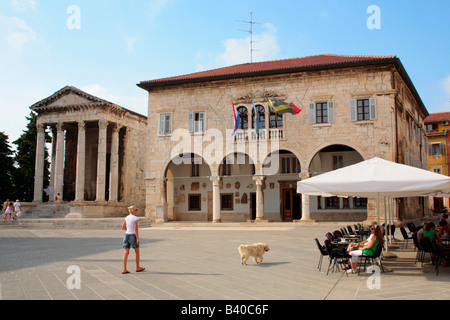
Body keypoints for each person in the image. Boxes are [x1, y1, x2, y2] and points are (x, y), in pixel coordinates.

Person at [121, 205, 145, 274]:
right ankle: (138, 267)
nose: (137, 211)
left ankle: (124, 269)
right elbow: (136, 229)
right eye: (136, 210)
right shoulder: (135, 218)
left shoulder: (127, 217)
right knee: (137, 252)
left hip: (126, 235)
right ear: (134, 211)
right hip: (132, 235)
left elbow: (123, 227)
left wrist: (128, 229)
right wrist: (137, 239)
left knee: (126, 252)